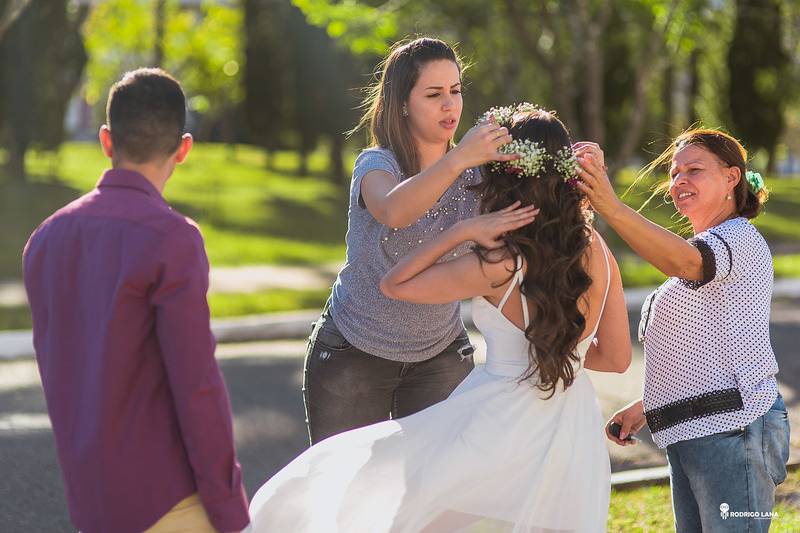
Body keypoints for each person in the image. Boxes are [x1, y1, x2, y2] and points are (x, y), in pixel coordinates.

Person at [247, 106, 631, 532]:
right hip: (573, 428)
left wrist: (461, 232)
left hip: (496, 424)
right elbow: (615, 358)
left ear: (504, 177)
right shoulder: (597, 250)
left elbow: (396, 284)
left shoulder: (498, 261)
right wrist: (561, 349)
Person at [22, 68, 249, 533]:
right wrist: (231, 512)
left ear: (107, 140)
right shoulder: (172, 240)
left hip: (90, 498)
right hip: (167, 500)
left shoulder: (45, 240)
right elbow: (196, 385)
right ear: (183, 148)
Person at [303, 37, 523, 444]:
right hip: (355, 351)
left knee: (431, 495)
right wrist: (458, 159)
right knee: (344, 493)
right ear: (403, 102)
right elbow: (394, 210)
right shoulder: (377, 164)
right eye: (434, 94)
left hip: (439, 356)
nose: (450, 106)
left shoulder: (479, 174)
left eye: (456, 91)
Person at [575, 129, 789, 532]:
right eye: (674, 173)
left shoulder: (739, 237)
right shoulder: (710, 245)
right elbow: (708, 349)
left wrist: (611, 205)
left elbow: (688, 264)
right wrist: (647, 406)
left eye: (694, 170)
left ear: (732, 177)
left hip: (734, 430)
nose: (679, 181)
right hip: (691, 434)